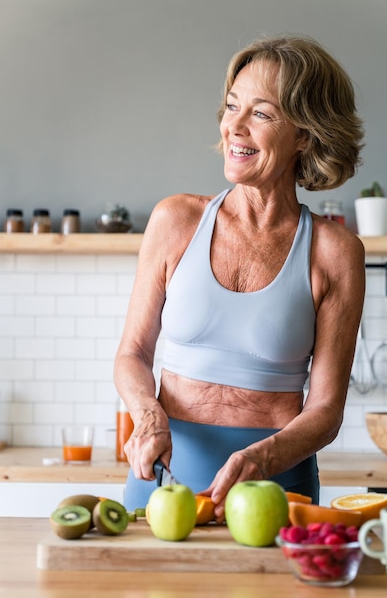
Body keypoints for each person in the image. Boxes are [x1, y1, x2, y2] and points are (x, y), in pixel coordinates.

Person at [114, 35, 366, 519]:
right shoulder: (175, 221)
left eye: (262, 114)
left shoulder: (335, 253)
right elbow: (132, 354)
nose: (234, 125)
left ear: (306, 135)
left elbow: (326, 410)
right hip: (163, 478)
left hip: (274, 487)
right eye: (232, 106)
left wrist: (262, 457)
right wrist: (147, 415)